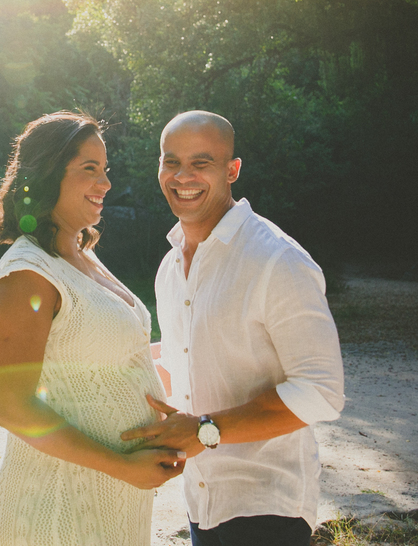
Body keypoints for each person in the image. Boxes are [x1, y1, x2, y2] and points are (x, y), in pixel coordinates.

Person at [121, 110, 345, 546]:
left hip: (267, 508)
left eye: (200, 163)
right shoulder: (171, 266)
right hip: (201, 502)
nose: (183, 176)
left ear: (232, 170)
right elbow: (184, 358)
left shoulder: (276, 260)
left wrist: (205, 430)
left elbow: (322, 392)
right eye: (171, 162)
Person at [0, 111, 184, 546]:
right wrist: (123, 465)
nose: (106, 183)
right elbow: (12, 407)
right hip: (57, 507)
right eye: (89, 169)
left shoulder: (80, 253)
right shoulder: (27, 275)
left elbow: (114, 357)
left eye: (105, 169)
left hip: (112, 499)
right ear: (46, 176)